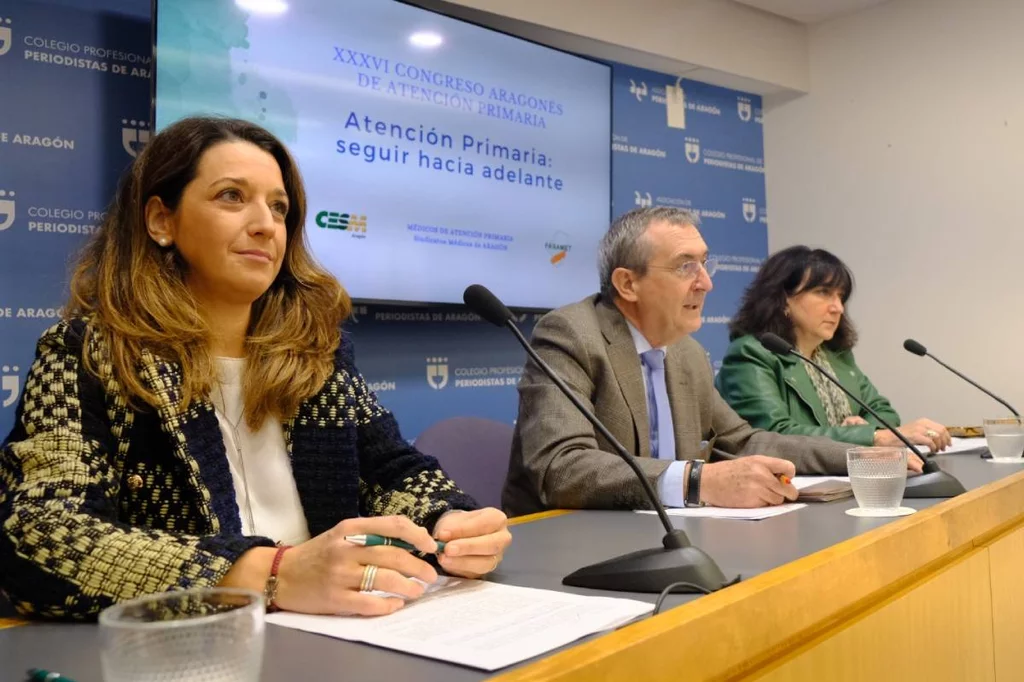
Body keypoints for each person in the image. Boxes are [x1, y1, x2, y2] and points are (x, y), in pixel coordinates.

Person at [0, 116, 510, 620]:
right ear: (161, 221)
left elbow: (393, 473)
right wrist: (269, 573)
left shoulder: (317, 354)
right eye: (231, 196)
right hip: (196, 645)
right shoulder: (88, 353)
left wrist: (450, 521)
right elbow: (38, 535)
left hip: (337, 634)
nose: (266, 224)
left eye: (279, 207)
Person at [502, 207, 921, 517]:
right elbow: (561, 467)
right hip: (570, 542)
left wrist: (863, 453)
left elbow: (745, 442)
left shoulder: (687, 353)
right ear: (628, 283)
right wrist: (698, 481)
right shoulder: (572, 334)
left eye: (705, 263)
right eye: (686, 266)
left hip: (669, 533)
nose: (706, 282)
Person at [716, 245, 950, 452]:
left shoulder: (835, 356)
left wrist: (867, 427)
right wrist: (872, 437)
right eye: (823, 293)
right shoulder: (750, 354)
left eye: (841, 296)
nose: (837, 307)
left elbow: (883, 412)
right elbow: (776, 435)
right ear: (783, 299)